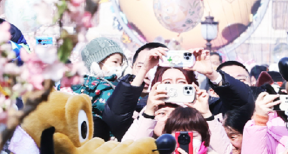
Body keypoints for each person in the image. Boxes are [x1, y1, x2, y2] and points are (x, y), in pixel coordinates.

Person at [104, 49, 254, 139]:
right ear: (156, 86)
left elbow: (244, 104)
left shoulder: (209, 107)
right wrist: (144, 70)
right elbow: (115, 115)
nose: (174, 88)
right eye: (167, 83)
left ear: (193, 86)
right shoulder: (144, 110)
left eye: (182, 83)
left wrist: (212, 74)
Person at [72, 38, 127, 138]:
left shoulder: (118, 83)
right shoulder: (86, 85)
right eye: (115, 62)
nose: (119, 67)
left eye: (120, 64)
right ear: (96, 63)